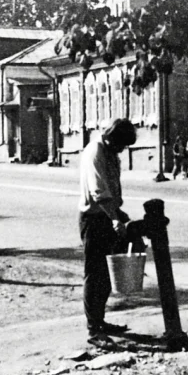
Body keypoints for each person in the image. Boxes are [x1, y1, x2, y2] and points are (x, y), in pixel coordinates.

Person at [78, 118, 137, 349]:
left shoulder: (111, 153)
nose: (122, 150)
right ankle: (94, 330)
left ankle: (100, 321)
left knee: (105, 276)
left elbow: (112, 191)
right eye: (121, 145)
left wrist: (118, 214)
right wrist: (114, 219)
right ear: (112, 138)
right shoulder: (96, 151)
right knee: (95, 275)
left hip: (107, 215)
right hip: (94, 219)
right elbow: (99, 191)